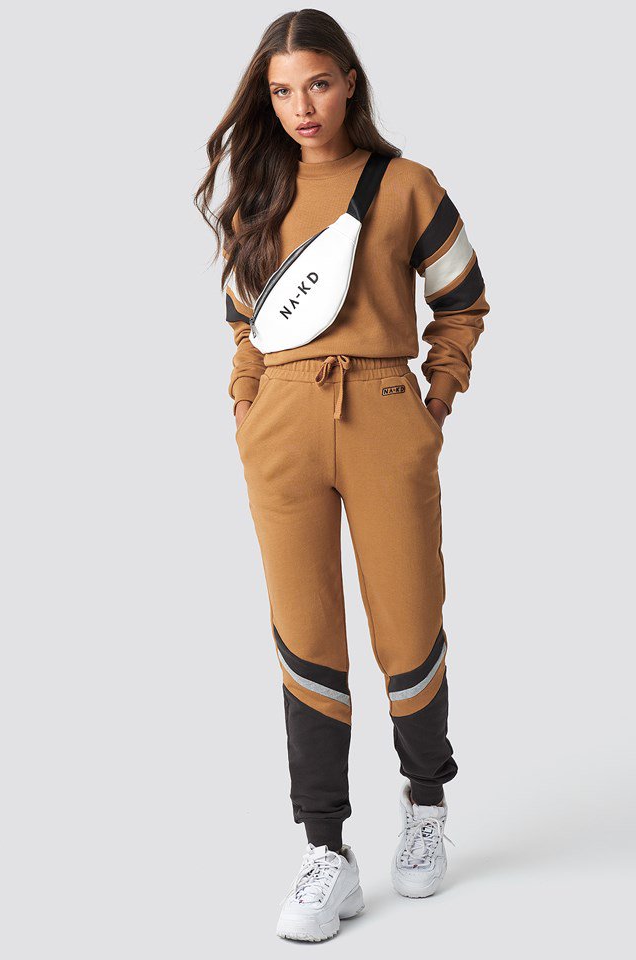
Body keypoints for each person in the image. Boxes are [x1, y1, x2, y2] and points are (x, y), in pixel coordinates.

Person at [195, 9, 490, 942]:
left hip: (382, 414)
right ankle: (326, 848)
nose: (302, 107)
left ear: (349, 81)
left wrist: (437, 397)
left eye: (317, 83)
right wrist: (246, 403)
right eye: (283, 91)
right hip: (281, 426)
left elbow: (463, 300)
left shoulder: (406, 185)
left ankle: (426, 806)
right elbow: (246, 323)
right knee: (304, 630)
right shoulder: (257, 195)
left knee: (409, 617)